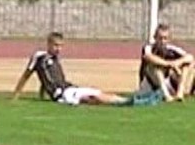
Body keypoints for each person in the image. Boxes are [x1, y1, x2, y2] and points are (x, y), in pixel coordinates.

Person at [12, 32, 162, 106]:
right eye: (55, 45)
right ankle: (128, 102)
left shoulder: (55, 60)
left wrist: (42, 94)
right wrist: (16, 96)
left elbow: (46, 79)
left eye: (60, 46)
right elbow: (27, 75)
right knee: (93, 96)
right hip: (63, 94)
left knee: (96, 93)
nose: (58, 49)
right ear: (48, 44)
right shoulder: (39, 57)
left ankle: (129, 100)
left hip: (68, 88)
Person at [138, 23, 195, 102]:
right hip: (149, 85)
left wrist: (177, 63)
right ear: (155, 38)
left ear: (169, 39)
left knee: (185, 65)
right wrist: (170, 64)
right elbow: (148, 57)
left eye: (165, 38)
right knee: (155, 67)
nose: (162, 41)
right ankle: (166, 96)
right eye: (160, 38)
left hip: (166, 83)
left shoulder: (171, 49)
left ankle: (180, 93)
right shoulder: (149, 47)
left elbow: (190, 57)